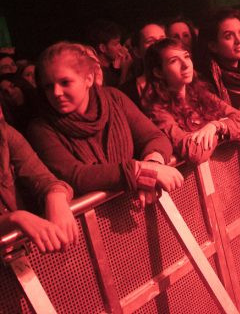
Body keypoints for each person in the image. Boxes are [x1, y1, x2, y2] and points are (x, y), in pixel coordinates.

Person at [27, 42, 183, 206]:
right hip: (92, 222)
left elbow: (154, 137)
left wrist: (153, 165)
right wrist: (139, 171)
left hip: (135, 207)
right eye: (48, 87)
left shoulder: (114, 99)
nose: (56, 93)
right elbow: (77, 176)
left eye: (65, 82)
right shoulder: (41, 129)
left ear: (88, 79)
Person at [142, 38, 240, 164]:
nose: (186, 65)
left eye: (186, 57)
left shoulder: (201, 94)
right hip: (194, 181)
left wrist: (216, 126)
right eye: (174, 61)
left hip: (225, 175)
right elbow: (194, 152)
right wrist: (222, 130)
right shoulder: (158, 111)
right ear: (159, 72)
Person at [0, 105, 78, 253]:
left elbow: (43, 178)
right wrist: (14, 219)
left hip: (19, 256)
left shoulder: (5, 133)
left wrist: (55, 197)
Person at [120, 21, 166, 109]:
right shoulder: (127, 92)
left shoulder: (180, 82)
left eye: (162, 40)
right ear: (137, 52)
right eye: (150, 41)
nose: (159, 44)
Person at [86, 19, 132, 87]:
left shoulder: (113, 71)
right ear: (103, 48)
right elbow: (115, 95)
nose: (120, 47)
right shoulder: (96, 74)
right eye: (116, 44)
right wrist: (125, 71)